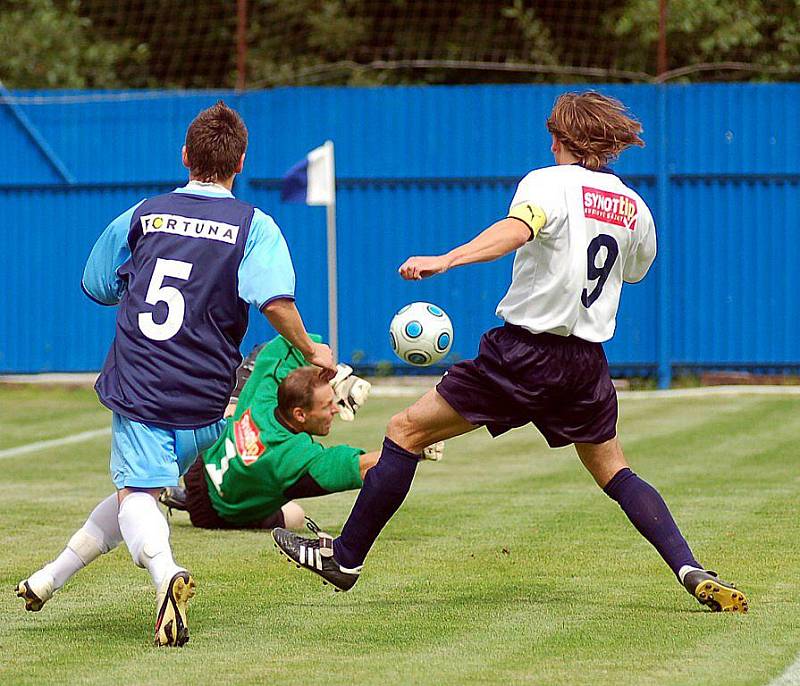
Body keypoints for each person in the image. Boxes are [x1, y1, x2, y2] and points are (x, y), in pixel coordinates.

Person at [273, 91, 749, 613]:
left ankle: (345, 558)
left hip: (525, 353)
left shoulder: (547, 182)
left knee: (404, 431)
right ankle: (690, 568)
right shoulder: (634, 206)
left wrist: (448, 259)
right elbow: (634, 270)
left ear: (559, 138)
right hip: (585, 364)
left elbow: (515, 231)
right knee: (616, 471)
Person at [15, 101, 335, 647]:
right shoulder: (255, 227)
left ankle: (168, 577)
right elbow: (274, 301)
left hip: (143, 382)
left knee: (137, 495)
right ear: (239, 163)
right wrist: (313, 348)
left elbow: (98, 285)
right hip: (207, 398)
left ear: (185, 156)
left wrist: (309, 349)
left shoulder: (143, 215)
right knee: (134, 493)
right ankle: (48, 579)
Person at [159, 334, 441, 531]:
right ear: (300, 414)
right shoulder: (292, 458)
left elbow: (284, 343)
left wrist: (326, 370)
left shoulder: (267, 393)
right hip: (216, 512)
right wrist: (414, 448)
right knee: (296, 515)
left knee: (233, 407)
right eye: (327, 405)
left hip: (200, 465)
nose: (335, 410)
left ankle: (181, 492)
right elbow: (363, 467)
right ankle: (186, 500)